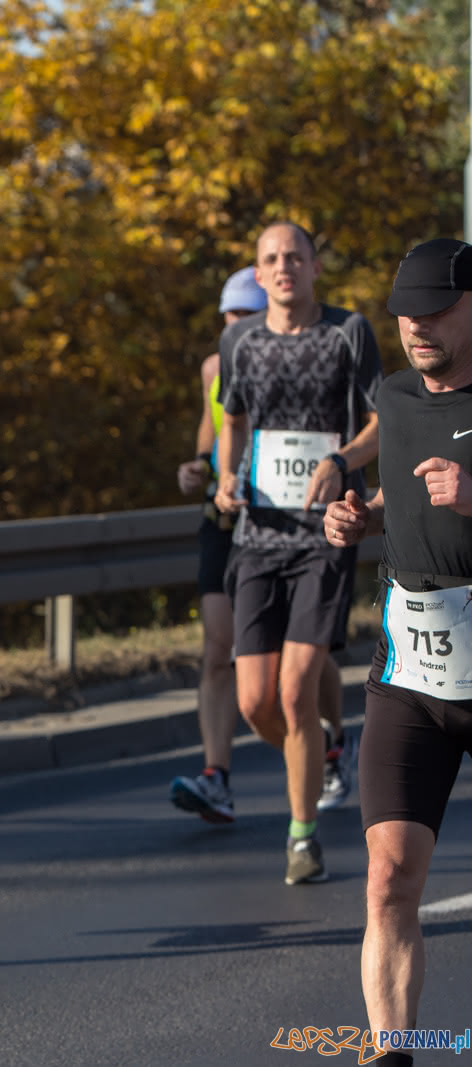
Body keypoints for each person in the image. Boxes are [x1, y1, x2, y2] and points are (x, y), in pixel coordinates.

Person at [324, 238, 472, 1067]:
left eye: (435, 309)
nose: (416, 326)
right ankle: (393, 1055)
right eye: (405, 313)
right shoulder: (397, 395)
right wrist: (361, 516)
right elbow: (403, 498)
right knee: (388, 877)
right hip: (411, 672)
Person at [213, 222, 382, 885]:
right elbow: (231, 419)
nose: (283, 268)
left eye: (295, 257)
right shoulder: (238, 340)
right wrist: (227, 477)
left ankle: (302, 834)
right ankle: (316, 758)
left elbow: (382, 419)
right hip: (257, 536)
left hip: (325, 532)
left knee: (294, 691)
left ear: (314, 267)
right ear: (258, 275)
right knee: (255, 701)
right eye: (270, 260)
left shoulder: (349, 331)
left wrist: (342, 460)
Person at [170, 267, 265, 823]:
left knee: (297, 658)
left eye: (244, 315)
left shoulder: (299, 359)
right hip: (224, 519)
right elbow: (208, 447)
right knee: (217, 648)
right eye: (227, 315)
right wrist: (194, 471)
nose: (233, 325)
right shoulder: (213, 368)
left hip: (281, 520)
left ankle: (330, 742)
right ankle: (216, 776)